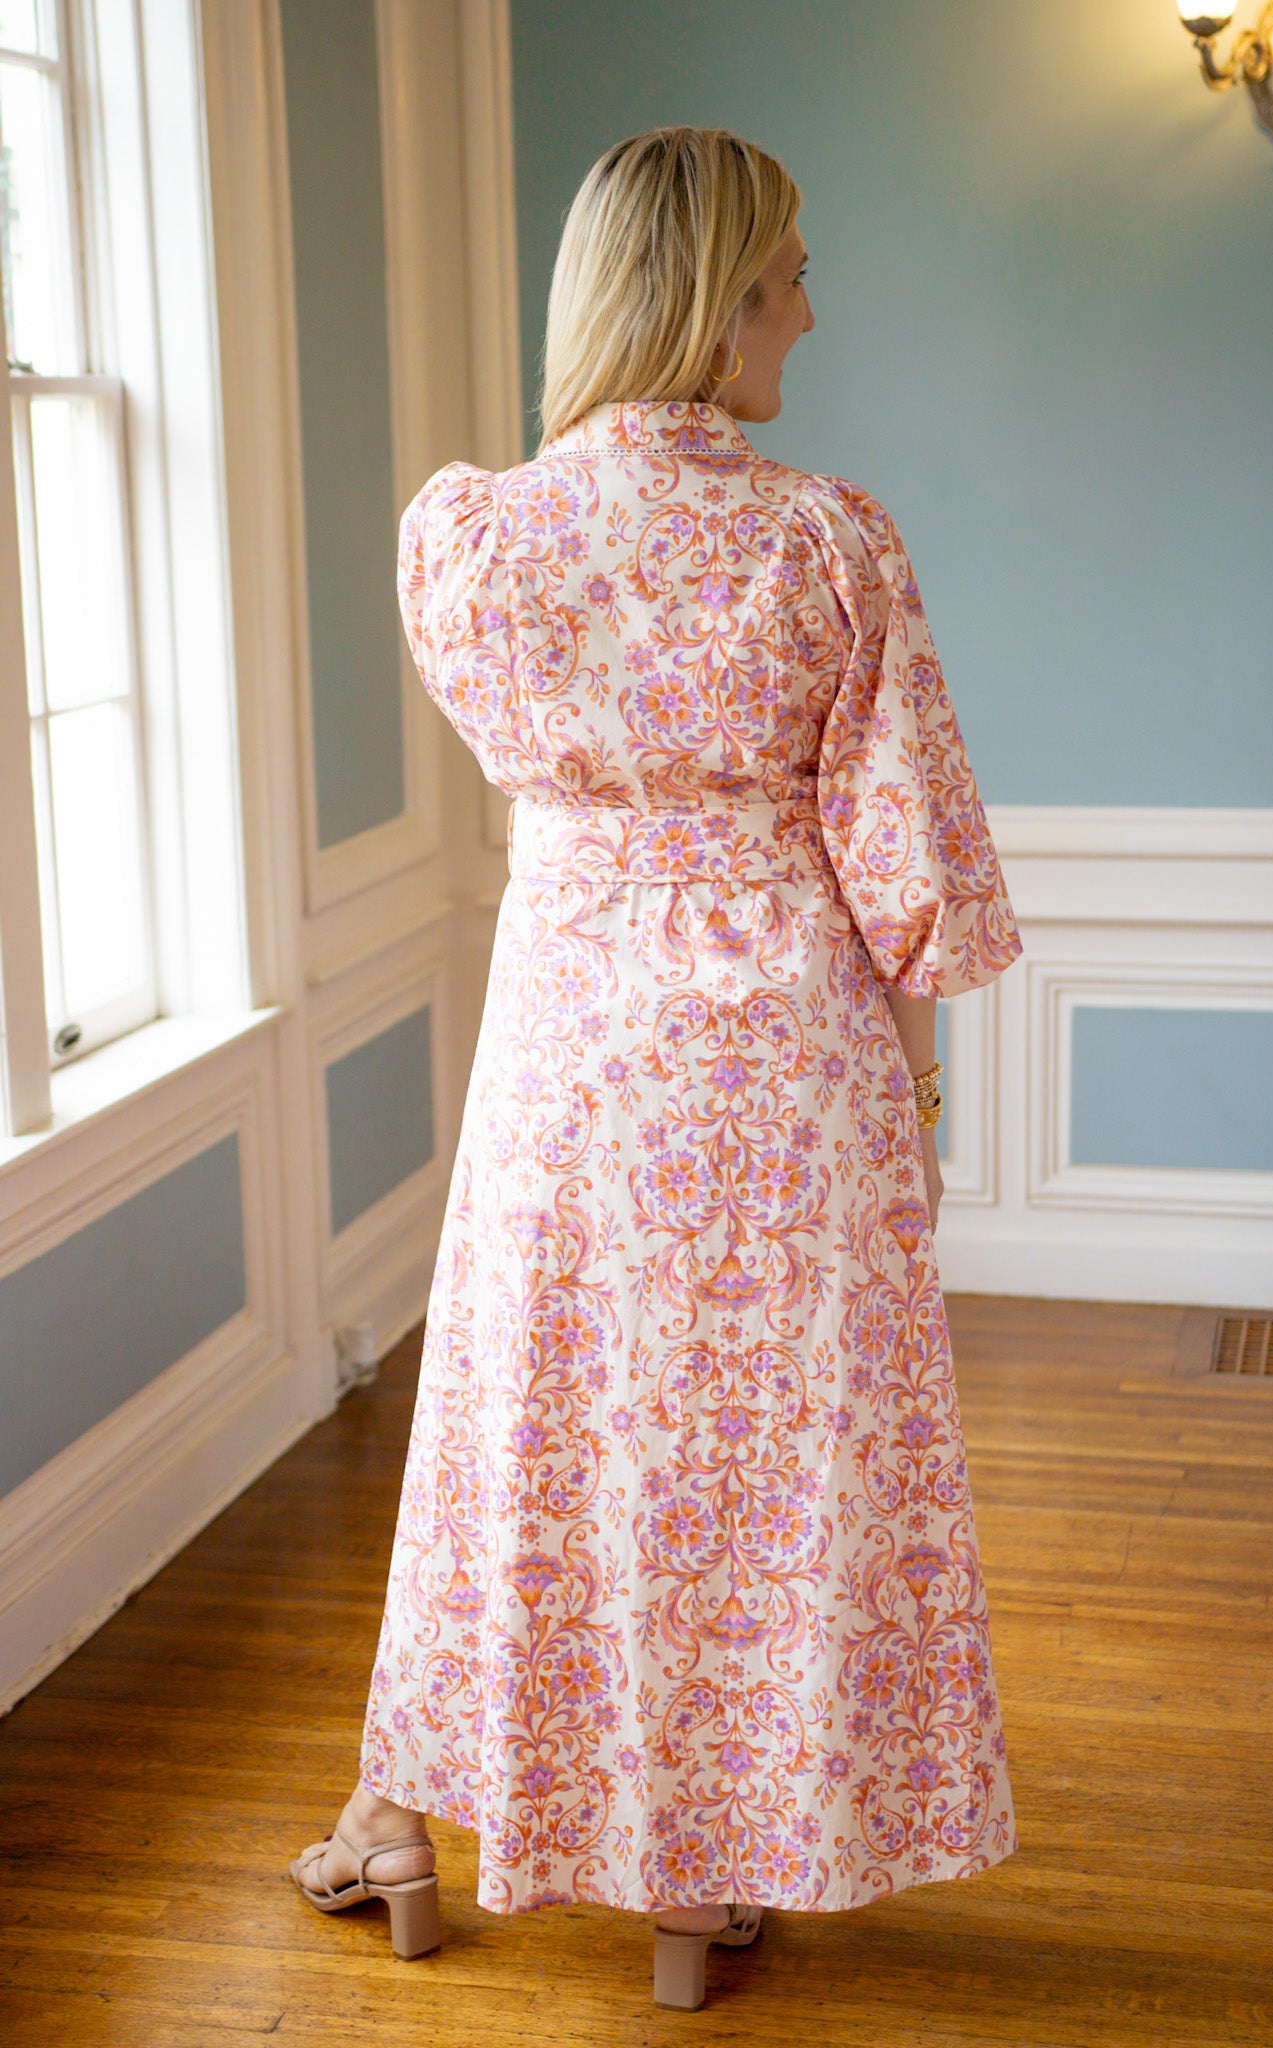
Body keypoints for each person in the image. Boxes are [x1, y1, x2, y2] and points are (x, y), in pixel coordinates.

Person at [289, 125, 1022, 2012]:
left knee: (528, 1441)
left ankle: (405, 1820)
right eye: (788, 277)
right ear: (710, 302)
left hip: (568, 1063)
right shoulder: (820, 538)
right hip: (786, 1071)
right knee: (763, 1467)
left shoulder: (474, 538)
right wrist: (920, 1109)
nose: (808, 313)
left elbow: (530, 762)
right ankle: (696, 1884)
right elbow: (906, 869)